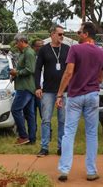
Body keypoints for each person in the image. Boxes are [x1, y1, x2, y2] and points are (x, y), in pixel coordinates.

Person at [56, 22, 103, 182]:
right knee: (92, 133)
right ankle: (91, 171)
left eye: (79, 32)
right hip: (92, 94)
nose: (77, 35)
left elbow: (69, 72)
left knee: (69, 132)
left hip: (75, 95)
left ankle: (64, 169)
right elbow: (100, 77)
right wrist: (91, 83)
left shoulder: (75, 49)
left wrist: (59, 94)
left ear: (86, 34)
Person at [34, 25, 70, 157]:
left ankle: (61, 146)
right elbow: (37, 69)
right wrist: (37, 86)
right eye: (60, 34)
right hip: (48, 90)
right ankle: (44, 147)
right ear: (52, 34)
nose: (62, 37)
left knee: (63, 119)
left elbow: (71, 69)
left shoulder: (67, 49)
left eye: (63, 34)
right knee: (46, 119)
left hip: (64, 90)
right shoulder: (44, 50)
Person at [10, 34, 37, 145]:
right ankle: (31, 138)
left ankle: (23, 136)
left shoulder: (29, 53)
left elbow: (30, 69)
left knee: (15, 110)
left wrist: (17, 72)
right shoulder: (23, 53)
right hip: (26, 87)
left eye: (17, 42)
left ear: (22, 41)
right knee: (29, 113)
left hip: (25, 87)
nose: (16, 45)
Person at [31, 39, 43, 135]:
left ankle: (48, 133)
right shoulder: (32, 58)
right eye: (39, 45)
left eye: (42, 45)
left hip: (42, 89)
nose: (41, 47)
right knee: (32, 113)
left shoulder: (46, 57)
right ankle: (33, 132)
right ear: (34, 47)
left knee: (44, 113)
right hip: (32, 89)